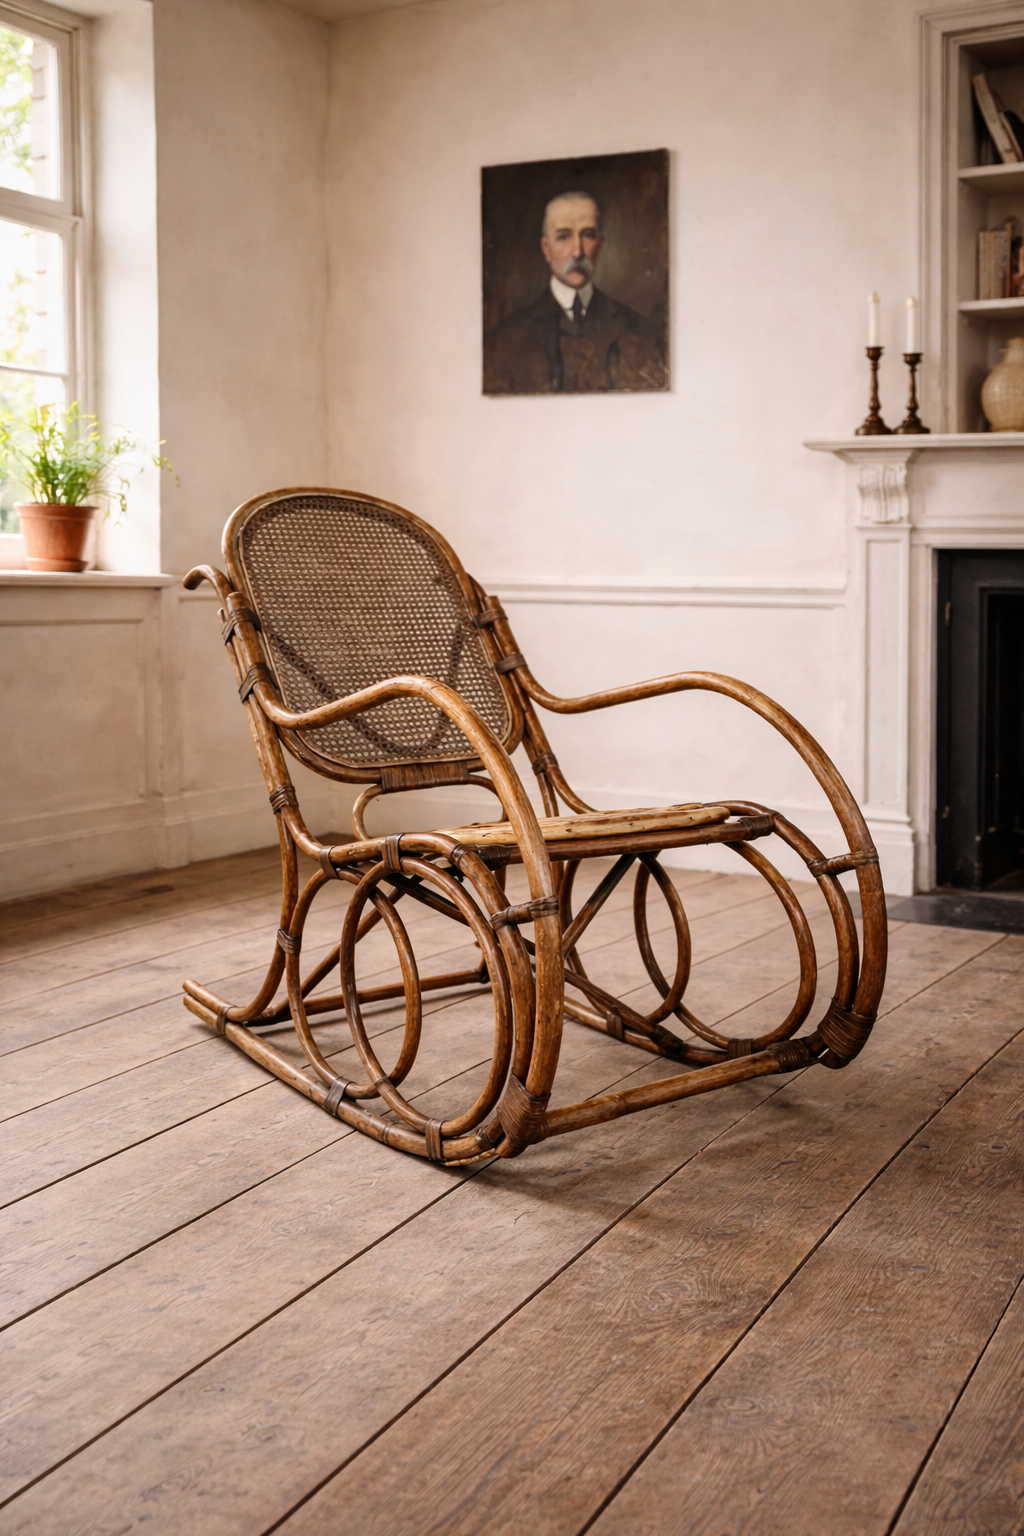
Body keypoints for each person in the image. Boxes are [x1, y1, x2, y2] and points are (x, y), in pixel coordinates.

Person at [485, 190, 666, 394]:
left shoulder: (640, 330)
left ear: (600, 243)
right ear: (546, 248)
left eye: (588, 235)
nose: (578, 252)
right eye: (563, 237)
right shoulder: (504, 340)